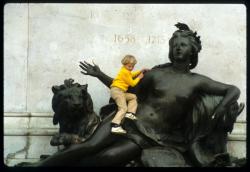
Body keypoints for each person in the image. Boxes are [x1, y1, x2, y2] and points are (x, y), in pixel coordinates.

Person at [33, 23, 244, 167]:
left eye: (183, 45)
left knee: (106, 159)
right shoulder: (157, 73)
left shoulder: (197, 81)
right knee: (90, 146)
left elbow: (232, 90)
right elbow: (126, 91)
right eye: (174, 45)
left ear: (192, 51)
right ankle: (41, 166)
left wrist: (222, 108)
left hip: (150, 135)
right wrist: (100, 75)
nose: (177, 48)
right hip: (126, 119)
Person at [110, 55, 146, 134]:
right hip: (117, 91)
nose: (131, 68)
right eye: (129, 66)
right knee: (123, 108)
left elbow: (131, 75)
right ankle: (115, 125)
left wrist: (140, 71)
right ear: (124, 64)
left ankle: (130, 113)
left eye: (133, 66)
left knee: (133, 97)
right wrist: (139, 77)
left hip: (121, 92)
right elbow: (132, 83)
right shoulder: (124, 72)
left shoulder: (126, 71)